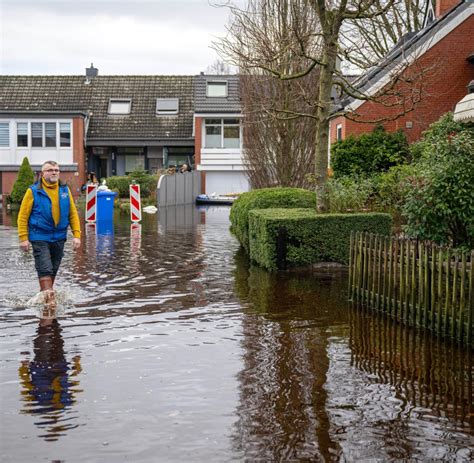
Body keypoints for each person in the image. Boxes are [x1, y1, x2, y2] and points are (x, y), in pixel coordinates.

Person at [18, 160, 81, 308]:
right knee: (45, 267)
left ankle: (45, 296)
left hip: (59, 237)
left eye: (57, 170)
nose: (54, 172)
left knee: (53, 268)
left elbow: (72, 214)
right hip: (39, 236)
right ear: (42, 174)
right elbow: (22, 216)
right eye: (50, 170)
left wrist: (77, 235)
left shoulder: (65, 190)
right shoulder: (33, 191)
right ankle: (50, 303)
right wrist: (23, 238)